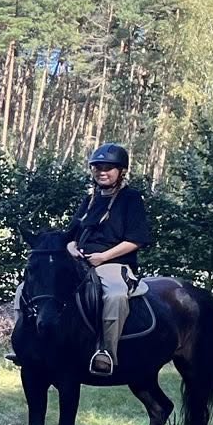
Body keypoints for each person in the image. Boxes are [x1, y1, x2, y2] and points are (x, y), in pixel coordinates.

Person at [66, 142, 152, 375]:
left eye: (109, 167)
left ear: (121, 171)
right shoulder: (90, 199)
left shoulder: (131, 199)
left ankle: (106, 353)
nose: (102, 171)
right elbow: (71, 234)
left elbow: (136, 239)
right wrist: (72, 247)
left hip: (114, 264)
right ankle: (31, 343)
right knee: (34, 287)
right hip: (79, 263)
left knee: (114, 295)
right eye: (98, 167)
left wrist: (103, 257)